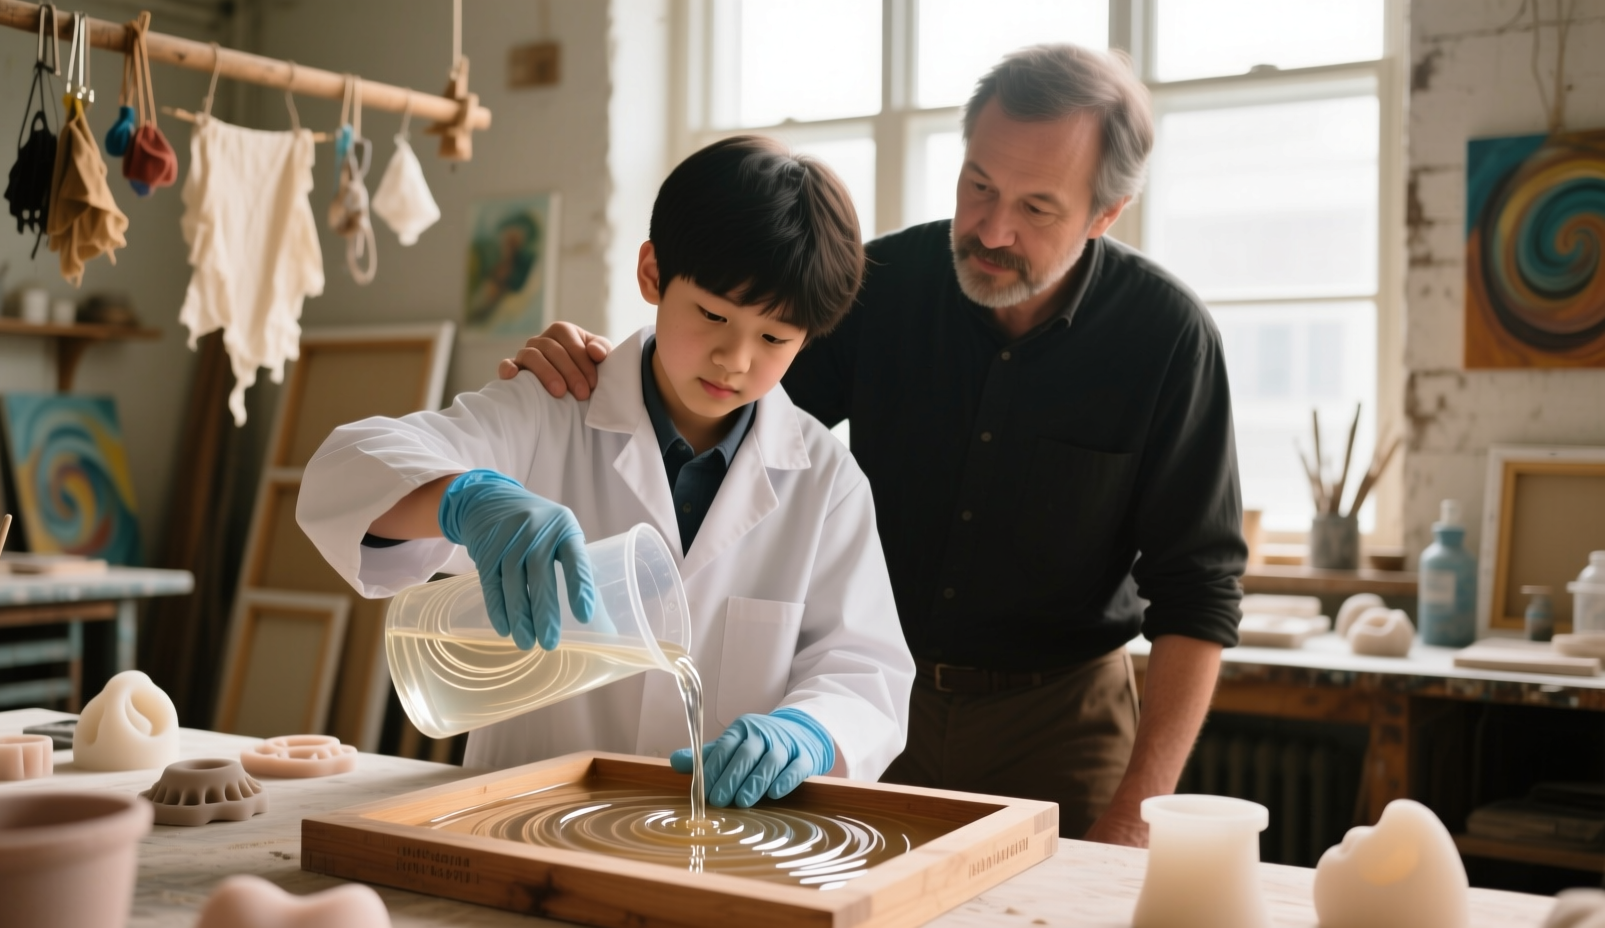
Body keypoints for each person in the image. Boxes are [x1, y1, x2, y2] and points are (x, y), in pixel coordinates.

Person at [496, 44, 1244, 845]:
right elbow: (730, 400)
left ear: (1105, 214)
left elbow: (1198, 592)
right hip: (868, 705)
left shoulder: (1167, 338)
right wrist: (610, 370)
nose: (993, 228)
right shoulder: (876, 285)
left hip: (1057, 718)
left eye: (1037, 208)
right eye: (979, 186)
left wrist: (1137, 813)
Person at [297, 136, 914, 807]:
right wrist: (465, 498)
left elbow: (865, 670)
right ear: (652, 273)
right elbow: (343, 470)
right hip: (522, 827)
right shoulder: (549, 408)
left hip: (714, 846)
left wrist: (809, 731)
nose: (735, 359)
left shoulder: (825, 481)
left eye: (774, 338)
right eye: (712, 315)